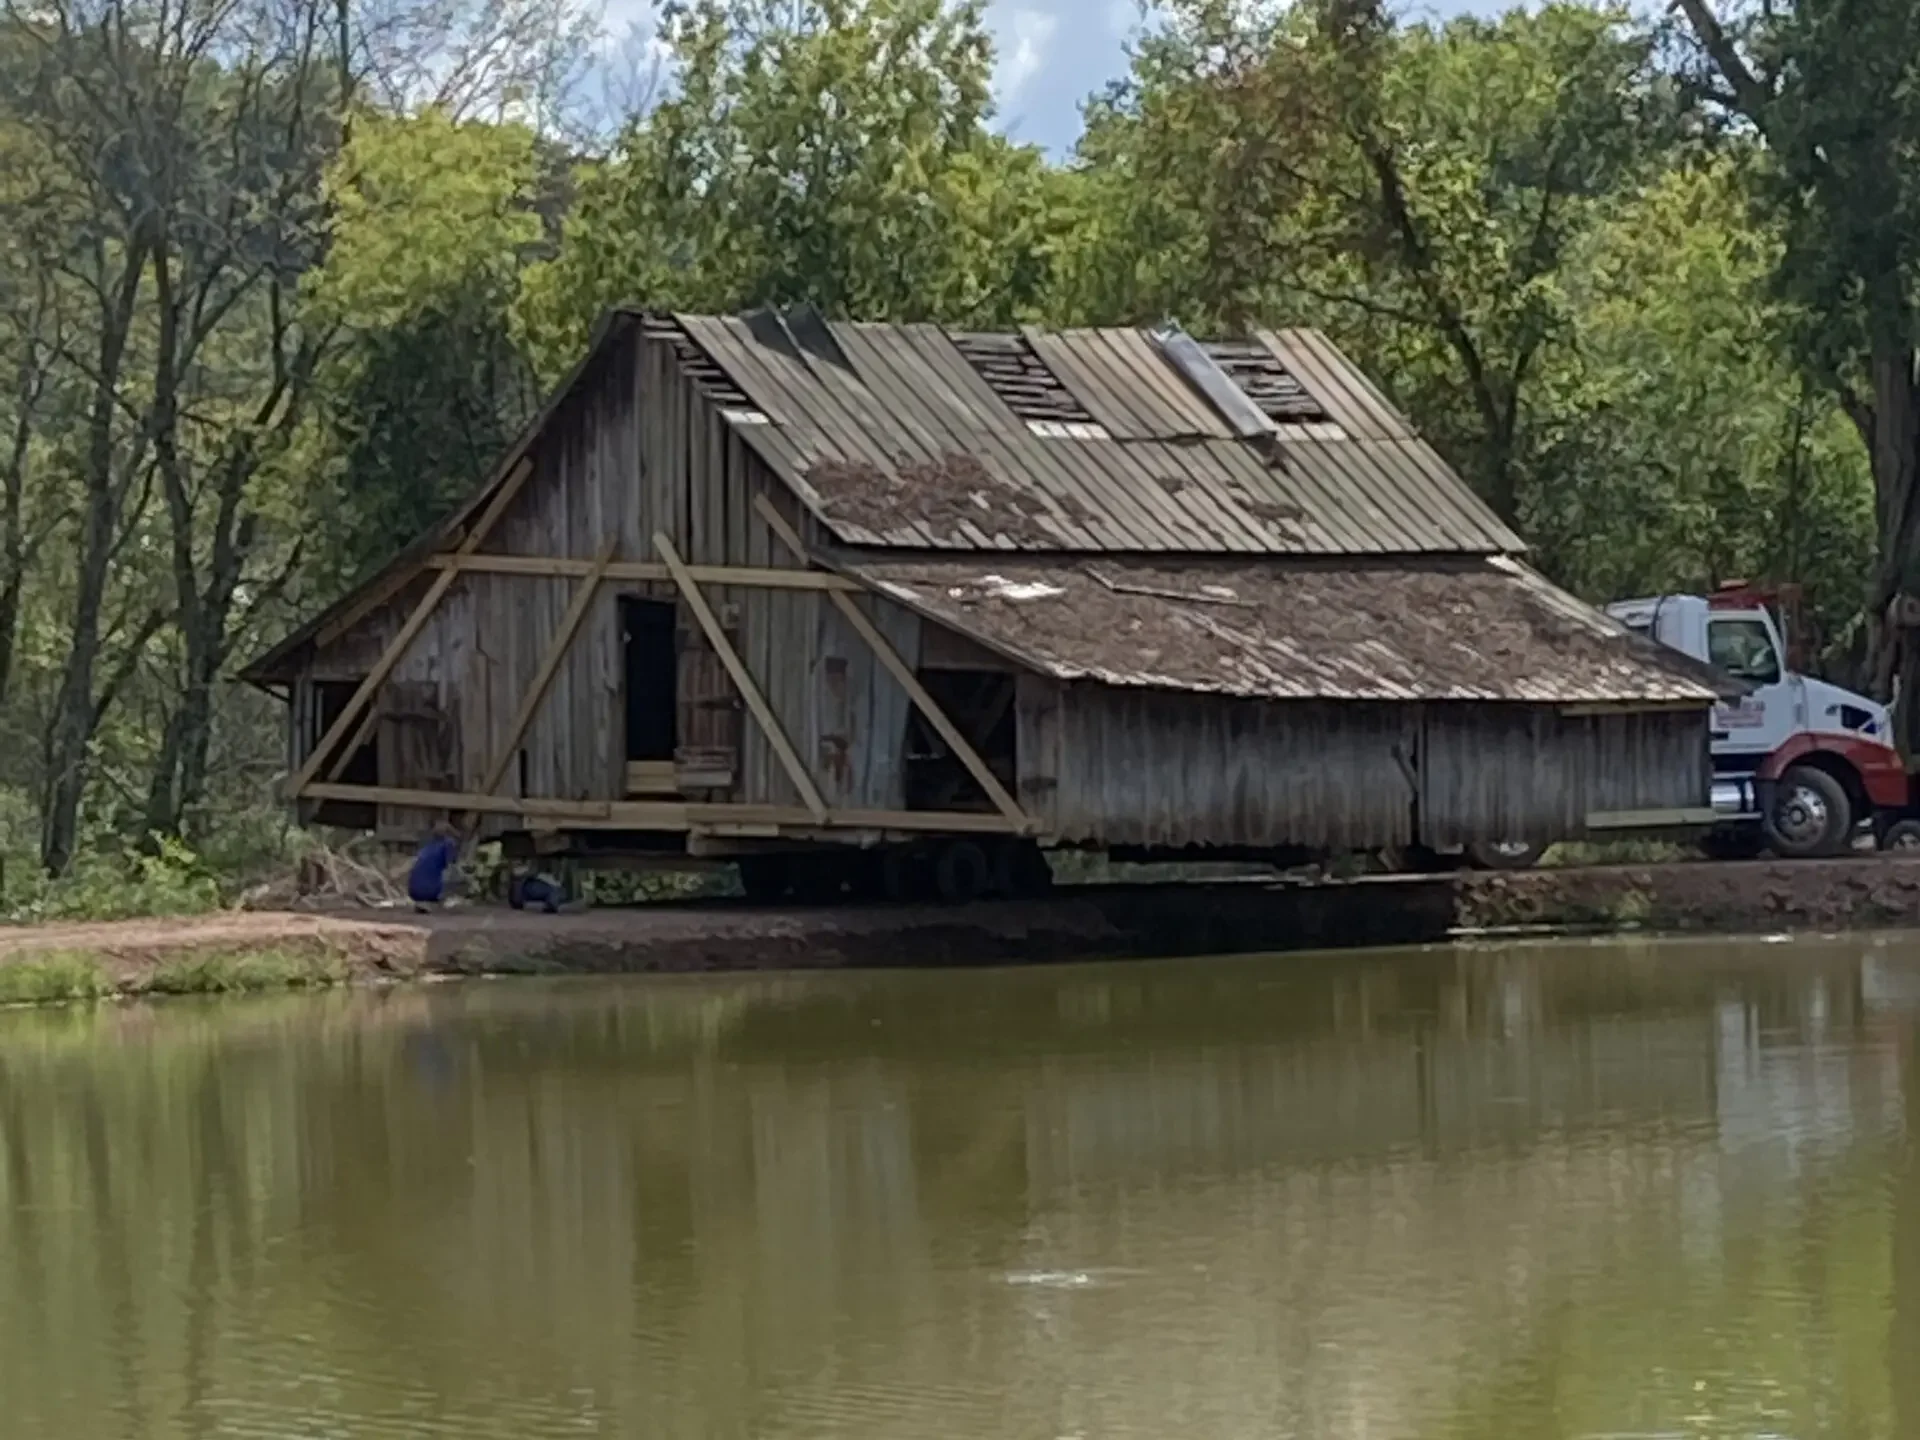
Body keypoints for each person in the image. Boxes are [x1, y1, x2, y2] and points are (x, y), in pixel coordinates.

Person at [407, 824, 461, 911]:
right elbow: (451, 864)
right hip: (431, 891)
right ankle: (442, 902)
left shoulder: (427, 845)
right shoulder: (448, 843)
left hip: (414, 891)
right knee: (457, 875)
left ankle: (423, 902)